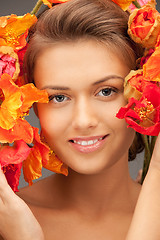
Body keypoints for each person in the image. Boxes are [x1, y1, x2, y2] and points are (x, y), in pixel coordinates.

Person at [1, 0, 160, 239]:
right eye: (59, 97)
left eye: (106, 91)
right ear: (31, 106)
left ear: (145, 90)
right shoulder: (8, 223)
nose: (84, 120)